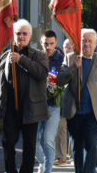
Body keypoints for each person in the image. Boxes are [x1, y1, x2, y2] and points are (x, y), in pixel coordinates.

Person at [0, 19, 49, 173]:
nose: (21, 36)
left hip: (31, 109)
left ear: (30, 36)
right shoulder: (5, 56)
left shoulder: (39, 55)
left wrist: (21, 59)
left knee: (29, 146)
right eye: (18, 33)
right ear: (13, 35)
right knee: (7, 142)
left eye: (24, 33)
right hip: (10, 108)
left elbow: (41, 74)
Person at [57, 28, 97, 173]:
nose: (87, 44)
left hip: (93, 112)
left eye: (90, 41)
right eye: (84, 40)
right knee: (77, 147)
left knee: (91, 145)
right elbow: (60, 80)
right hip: (74, 111)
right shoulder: (70, 57)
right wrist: (73, 67)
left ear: (96, 43)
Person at [35, 29, 64, 173]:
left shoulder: (61, 60)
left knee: (47, 140)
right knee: (33, 141)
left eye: (51, 44)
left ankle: (47, 170)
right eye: (46, 43)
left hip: (53, 105)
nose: (48, 47)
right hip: (36, 105)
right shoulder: (35, 57)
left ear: (56, 43)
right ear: (41, 42)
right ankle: (43, 161)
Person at [54, 39, 73, 166]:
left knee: (73, 130)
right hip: (60, 99)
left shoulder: (78, 61)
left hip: (74, 101)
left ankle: (73, 154)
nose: (68, 49)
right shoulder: (59, 60)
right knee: (60, 128)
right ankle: (61, 156)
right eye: (66, 46)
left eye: (70, 47)